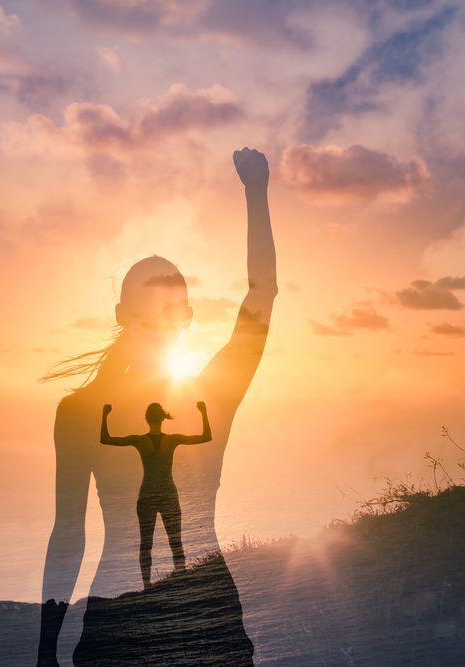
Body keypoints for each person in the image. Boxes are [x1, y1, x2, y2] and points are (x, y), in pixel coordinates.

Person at [37, 147, 276, 666]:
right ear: (123, 312)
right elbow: (67, 535)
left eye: (176, 299)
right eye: (158, 296)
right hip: (154, 622)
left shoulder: (203, 394)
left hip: (192, 619)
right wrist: (43, 651)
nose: (168, 309)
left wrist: (256, 193)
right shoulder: (83, 411)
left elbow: (263, 293)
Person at [100, 401, 212, 589]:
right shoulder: (173, 439)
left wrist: (104, 415)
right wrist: (203, 412)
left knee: (146, 544)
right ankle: (181, 579)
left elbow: (105, 439)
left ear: (146, 418)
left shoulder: (139, 440)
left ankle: (147, 585)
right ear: (163, 418)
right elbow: (206, 436)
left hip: (147, 497)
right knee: (176, 541)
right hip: (168, 495)